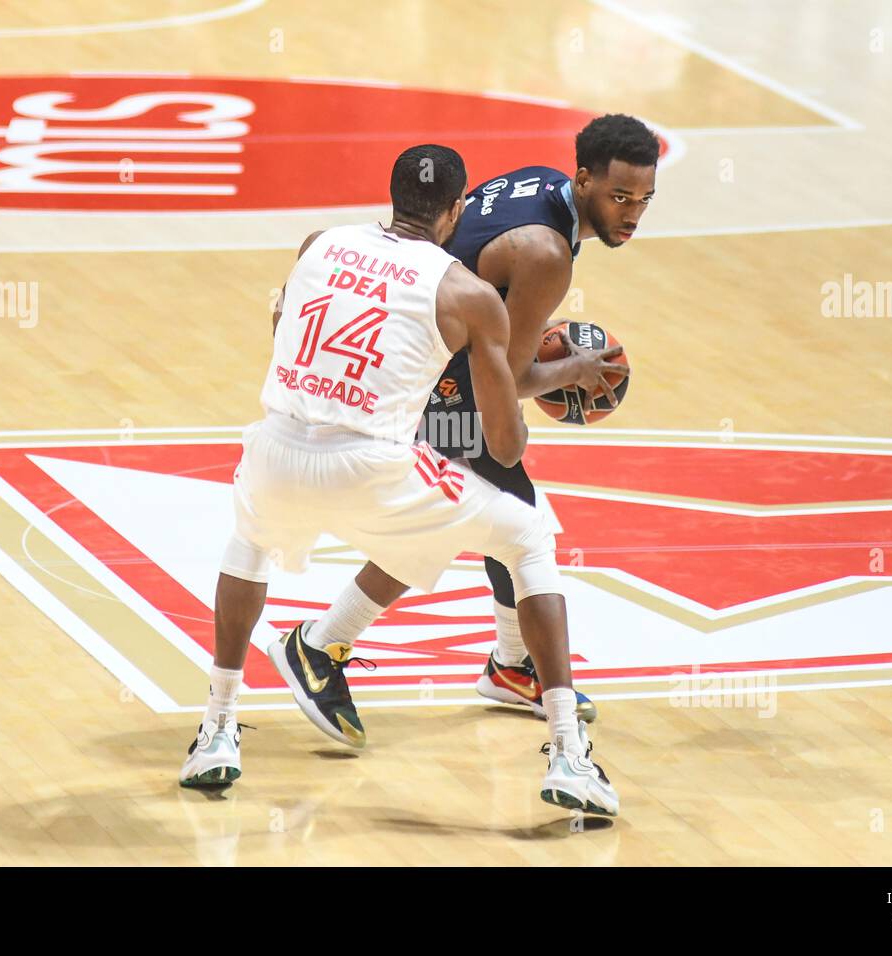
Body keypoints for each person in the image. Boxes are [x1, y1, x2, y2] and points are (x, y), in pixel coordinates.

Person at [179, 144, 618, 816]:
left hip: (275, 447)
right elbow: (503, 441)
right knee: (525, 529)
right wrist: (559, 384)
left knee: (250, 541)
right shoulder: (470, 294)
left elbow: (283, 328)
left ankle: (215, 732)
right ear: (458, 210)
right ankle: (568, 753)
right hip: (374, 471)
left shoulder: (320, 242)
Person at [303, 114, 660, 724]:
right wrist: (572, 373)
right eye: (619, 196)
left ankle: (508, 665)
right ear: (583, 181)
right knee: (484, 517)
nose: (631, 213)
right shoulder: (547, 253)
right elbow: (514, 380)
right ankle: (320, 645)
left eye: (644, 199)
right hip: (421, 364)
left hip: (404, 335)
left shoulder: (539, 184)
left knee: (492, 511)